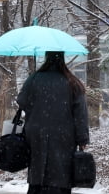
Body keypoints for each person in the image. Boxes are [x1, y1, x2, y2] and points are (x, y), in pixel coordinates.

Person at [17, 51, 90, 194]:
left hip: (37, 135)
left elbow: (22, 101)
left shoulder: (34, 79)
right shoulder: (72, 82)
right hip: (64, 137)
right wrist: (82, 139)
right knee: (60, 176)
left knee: (38, 175)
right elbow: (81, 114)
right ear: (62, 59)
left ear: (46, 58)